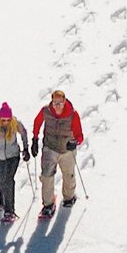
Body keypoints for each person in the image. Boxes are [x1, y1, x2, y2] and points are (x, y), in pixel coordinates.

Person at [31, 87, 85, 222]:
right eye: (55, 103)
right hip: (50, 148)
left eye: (59, 103)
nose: (57, 106)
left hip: (67, 150)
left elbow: (79, 135)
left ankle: (69, 197)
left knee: (68, 174)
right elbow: (37, 123)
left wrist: (75, 142)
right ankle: (48, 204)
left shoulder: (73, 114)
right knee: (46, 175)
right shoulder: (46, 111)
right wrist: (35, 139)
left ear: (64, 101)